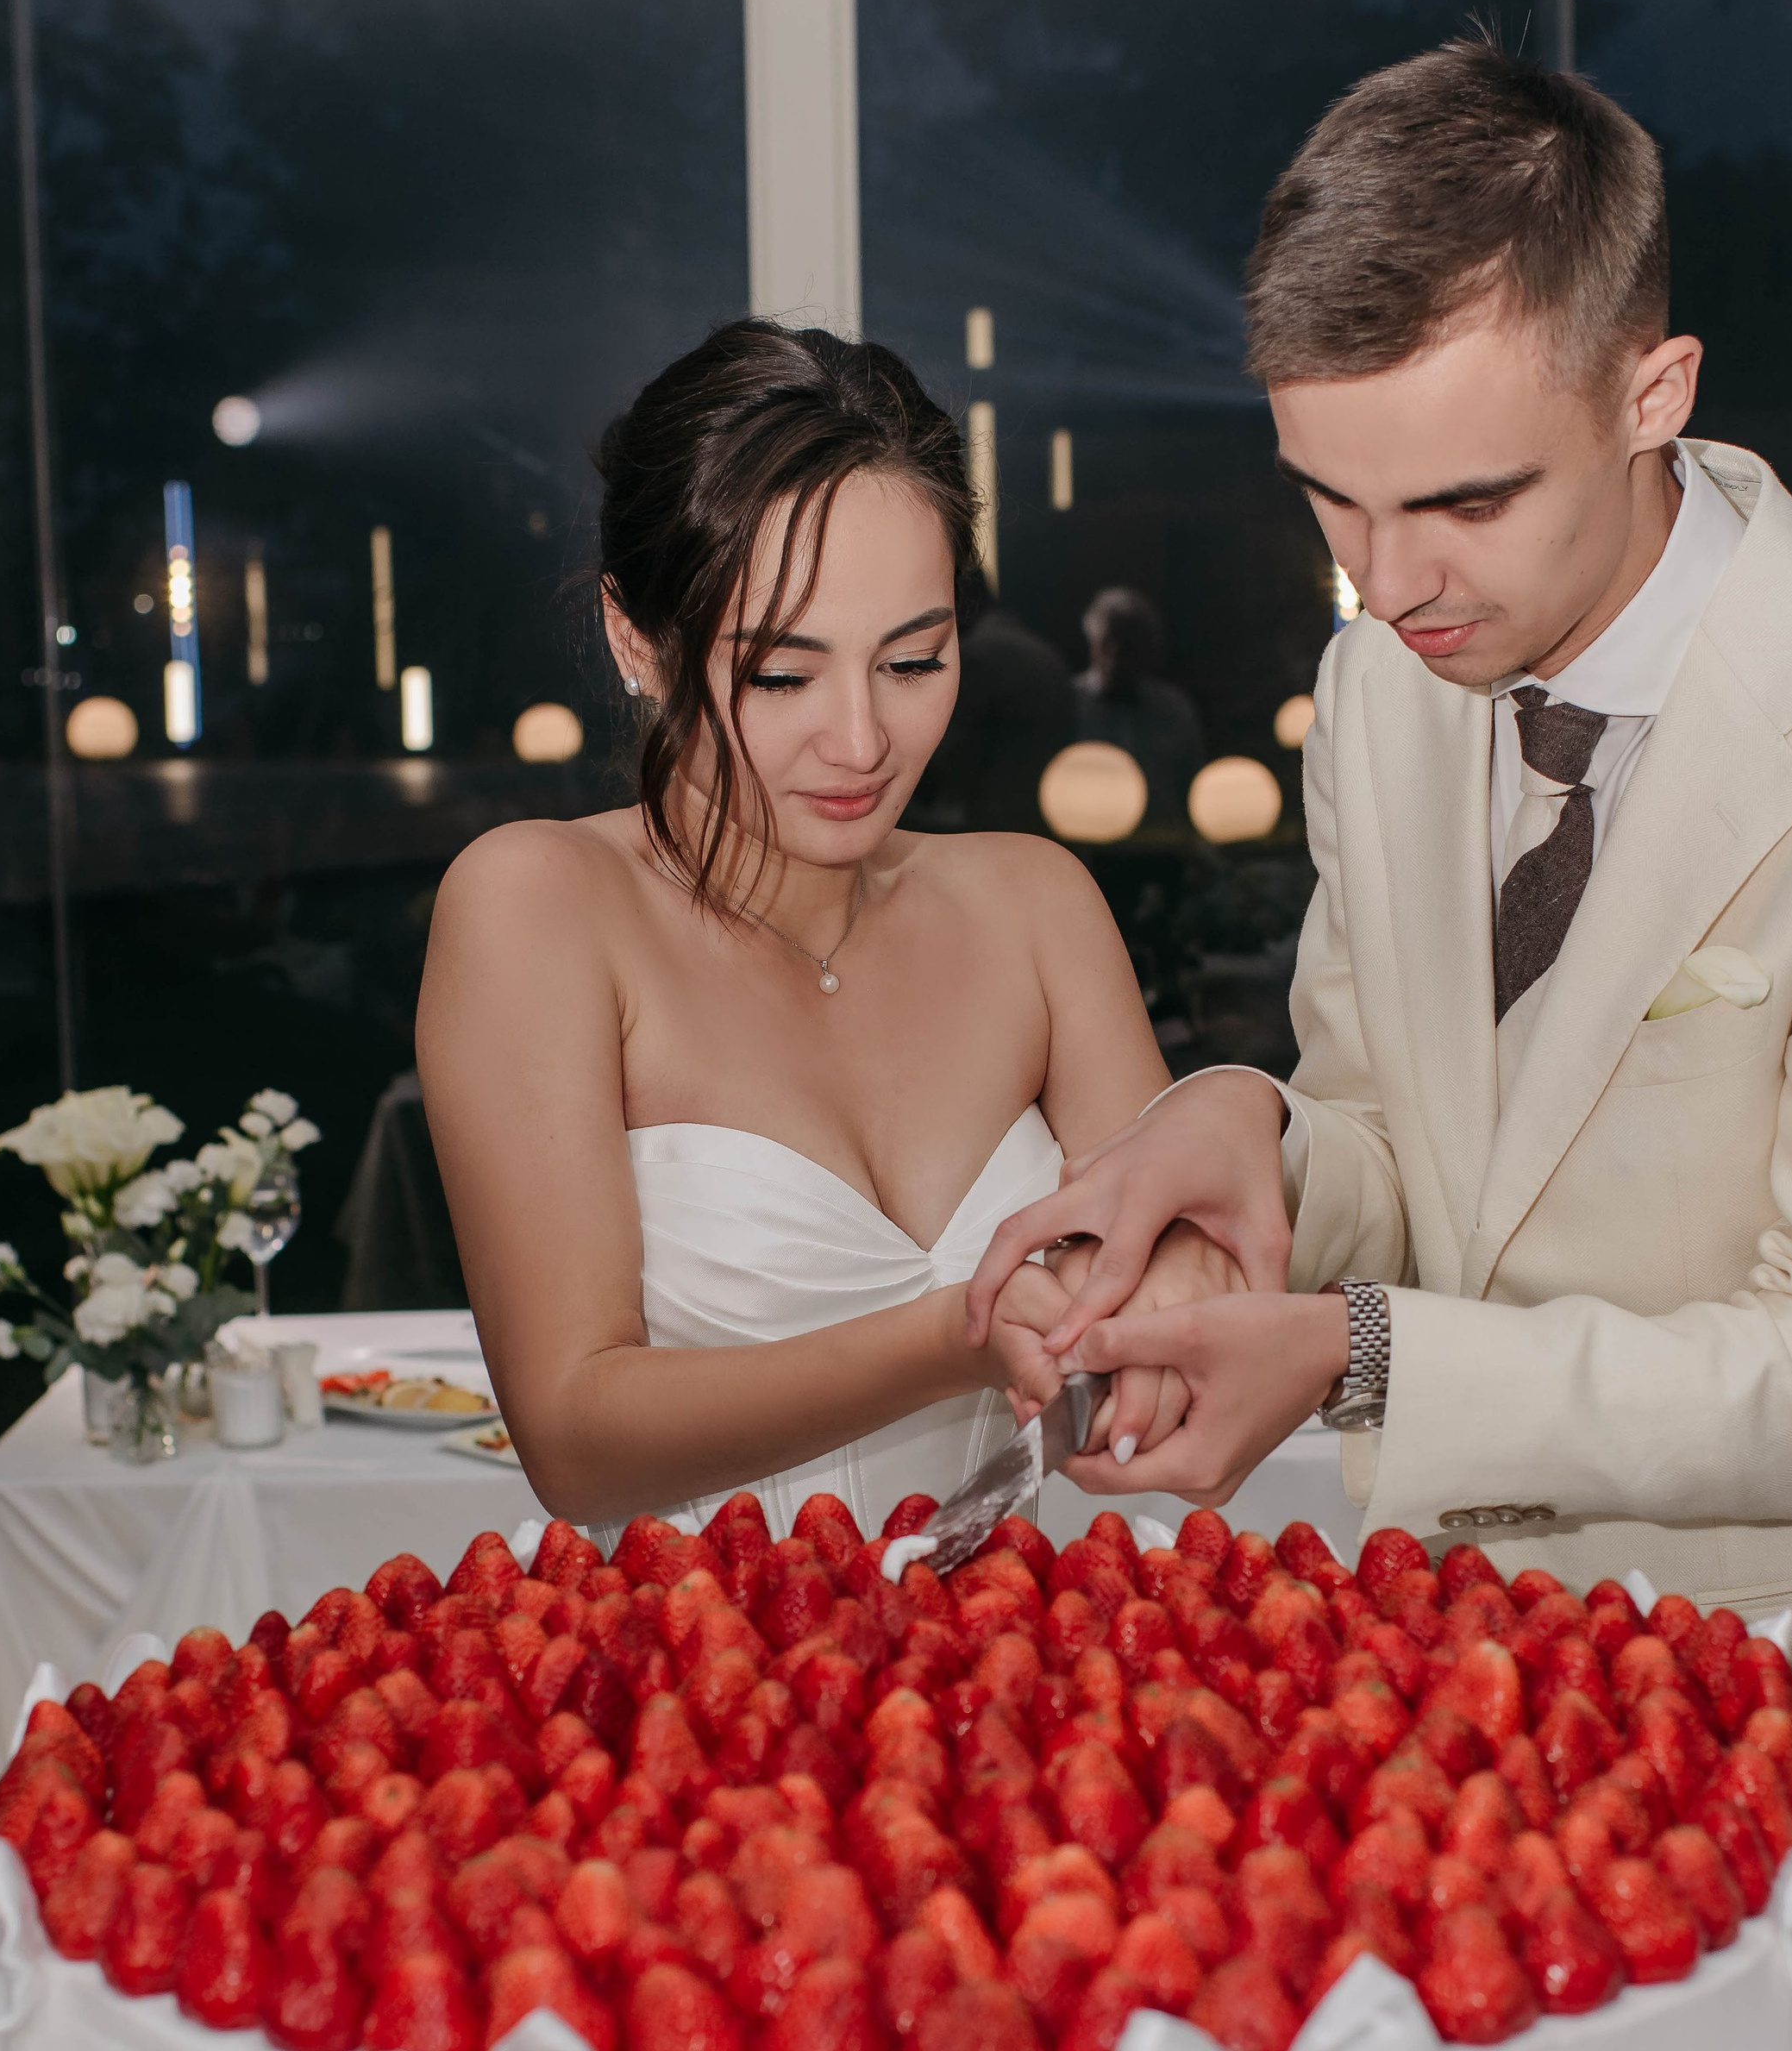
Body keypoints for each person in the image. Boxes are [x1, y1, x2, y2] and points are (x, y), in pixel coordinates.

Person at [968, 39, 1792, 1901]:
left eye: (1465, 503)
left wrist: (1349, 1355)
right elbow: (1405, 1140)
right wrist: (1241, 1135)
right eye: (1328, 499)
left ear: (1651, 391)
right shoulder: (1376, 688)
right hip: (1455, 1688)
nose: (1385, 581)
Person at [416, 320, 1219, 1538]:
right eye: (783, 676)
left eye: (914, 660)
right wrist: (958, 1334)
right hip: (697, 1687)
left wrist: (1187, 1283)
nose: (860, 742)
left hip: (1020, 1676)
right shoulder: (539, 904)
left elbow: (1170, 1298)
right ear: (640, 638)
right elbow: (574, 1438)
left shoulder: (1036, 903)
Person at [922, 582, 1077, 833]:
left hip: (994, 821)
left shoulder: (976, 656)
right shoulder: (1033, 647)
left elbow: (955, 756)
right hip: (1051, 820)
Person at [1073, 585, 1205, 826]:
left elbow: (1194, 785)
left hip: (1163, 847)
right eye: (1107, 643)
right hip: (1089, 848)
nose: (1115, 658)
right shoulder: (1068, 705)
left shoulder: (1173, 709)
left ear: (1148, 648)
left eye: (1127, 646)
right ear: (1092, 641)